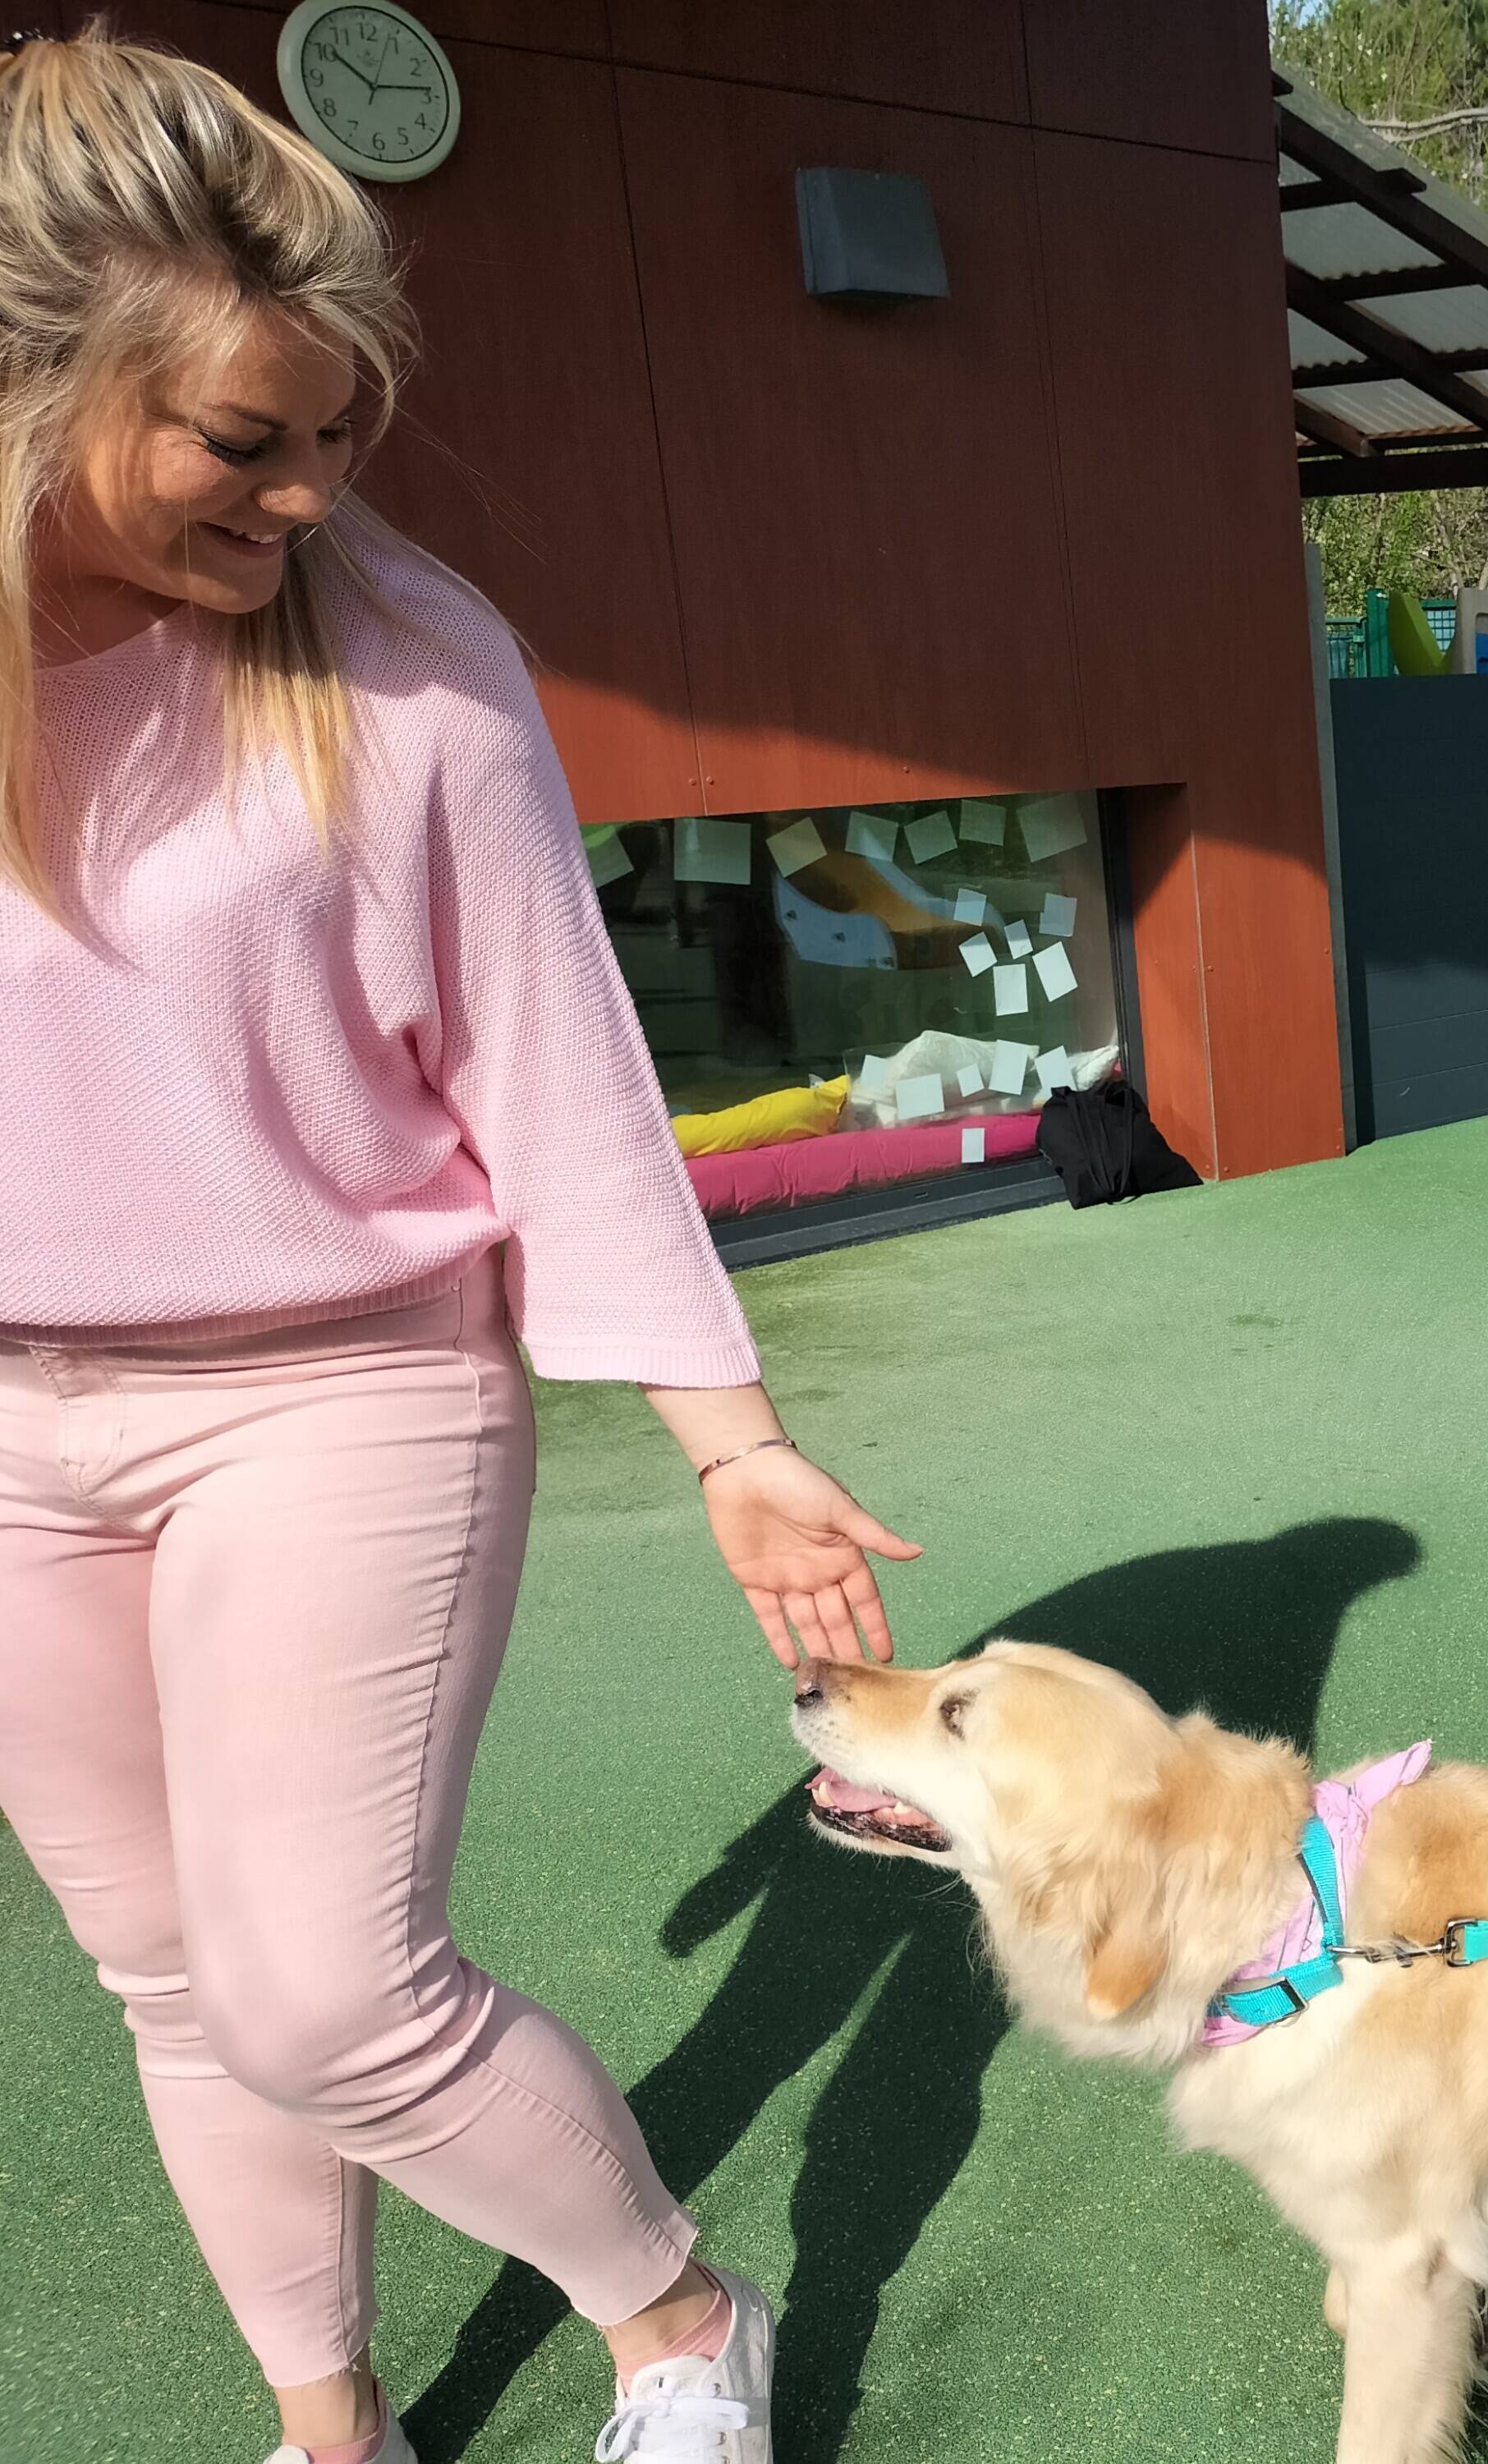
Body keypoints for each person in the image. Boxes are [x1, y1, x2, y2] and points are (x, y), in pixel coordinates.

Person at [0, 34, 912, 2464]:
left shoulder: (407, 663)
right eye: (244, 440)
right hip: (9, 1427)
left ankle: (682, 2324)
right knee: (167, 1977)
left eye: (338, 428)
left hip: (343, 1385)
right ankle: (334, 2429)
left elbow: (558, 1070)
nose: (310, 490)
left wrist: (728, 1438)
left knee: (321, 1992)